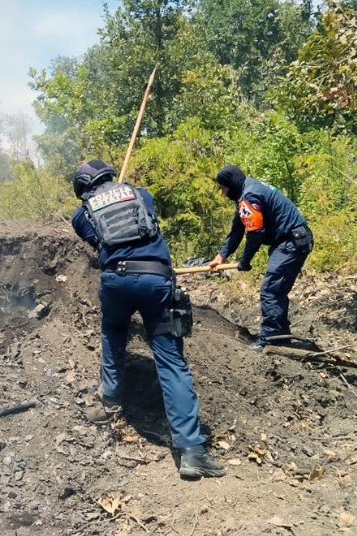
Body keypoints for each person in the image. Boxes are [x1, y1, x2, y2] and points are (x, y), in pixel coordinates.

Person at [71, 159, 225, 479]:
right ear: (110, 176)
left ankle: (110, 400)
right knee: (170, 360)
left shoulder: (80, 215)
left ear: (83, 188)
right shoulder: (140, 194)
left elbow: (101, 240)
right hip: (156, 280)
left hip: (115, 282)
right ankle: (192, 451)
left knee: (113, 330)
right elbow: (146, 224)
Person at [208, 165, 314, 350]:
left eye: (223, 188)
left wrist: (245, 261)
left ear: (230, 185)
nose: (223, 193)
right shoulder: (248, 189)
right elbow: (238, 227)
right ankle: (279, 334)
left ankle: (271, 337)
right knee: (275, 289)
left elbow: (255, 233)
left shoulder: (249, 196)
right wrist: (221, 256)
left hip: (291, 242)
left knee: (270, 289)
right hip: (290, 240)